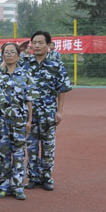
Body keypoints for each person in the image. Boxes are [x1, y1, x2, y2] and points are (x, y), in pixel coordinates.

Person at [20, 31, 72, 191]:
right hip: (29, 114)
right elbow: (3, 65)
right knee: (31, 147)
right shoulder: (24, 63)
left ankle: (46, 177)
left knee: (48, 147)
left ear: (48, 45)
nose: (36, 46)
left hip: (48, 113)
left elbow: (62, 89)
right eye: (34, 42)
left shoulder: (56, 65)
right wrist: (18, 49)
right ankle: (33, 177)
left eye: (40, 43)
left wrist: (60, 111)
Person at [0, 43, 33, 200]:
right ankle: (3, 187)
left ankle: (17, 187)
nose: (9, 55)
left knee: (19, 154)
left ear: (18, 55)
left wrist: (29, 121)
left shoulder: (25, 75)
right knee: (3, 155)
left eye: (12, 52)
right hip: (2, 121)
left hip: (19, 122)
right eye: (6, 52)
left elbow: (30, 100)